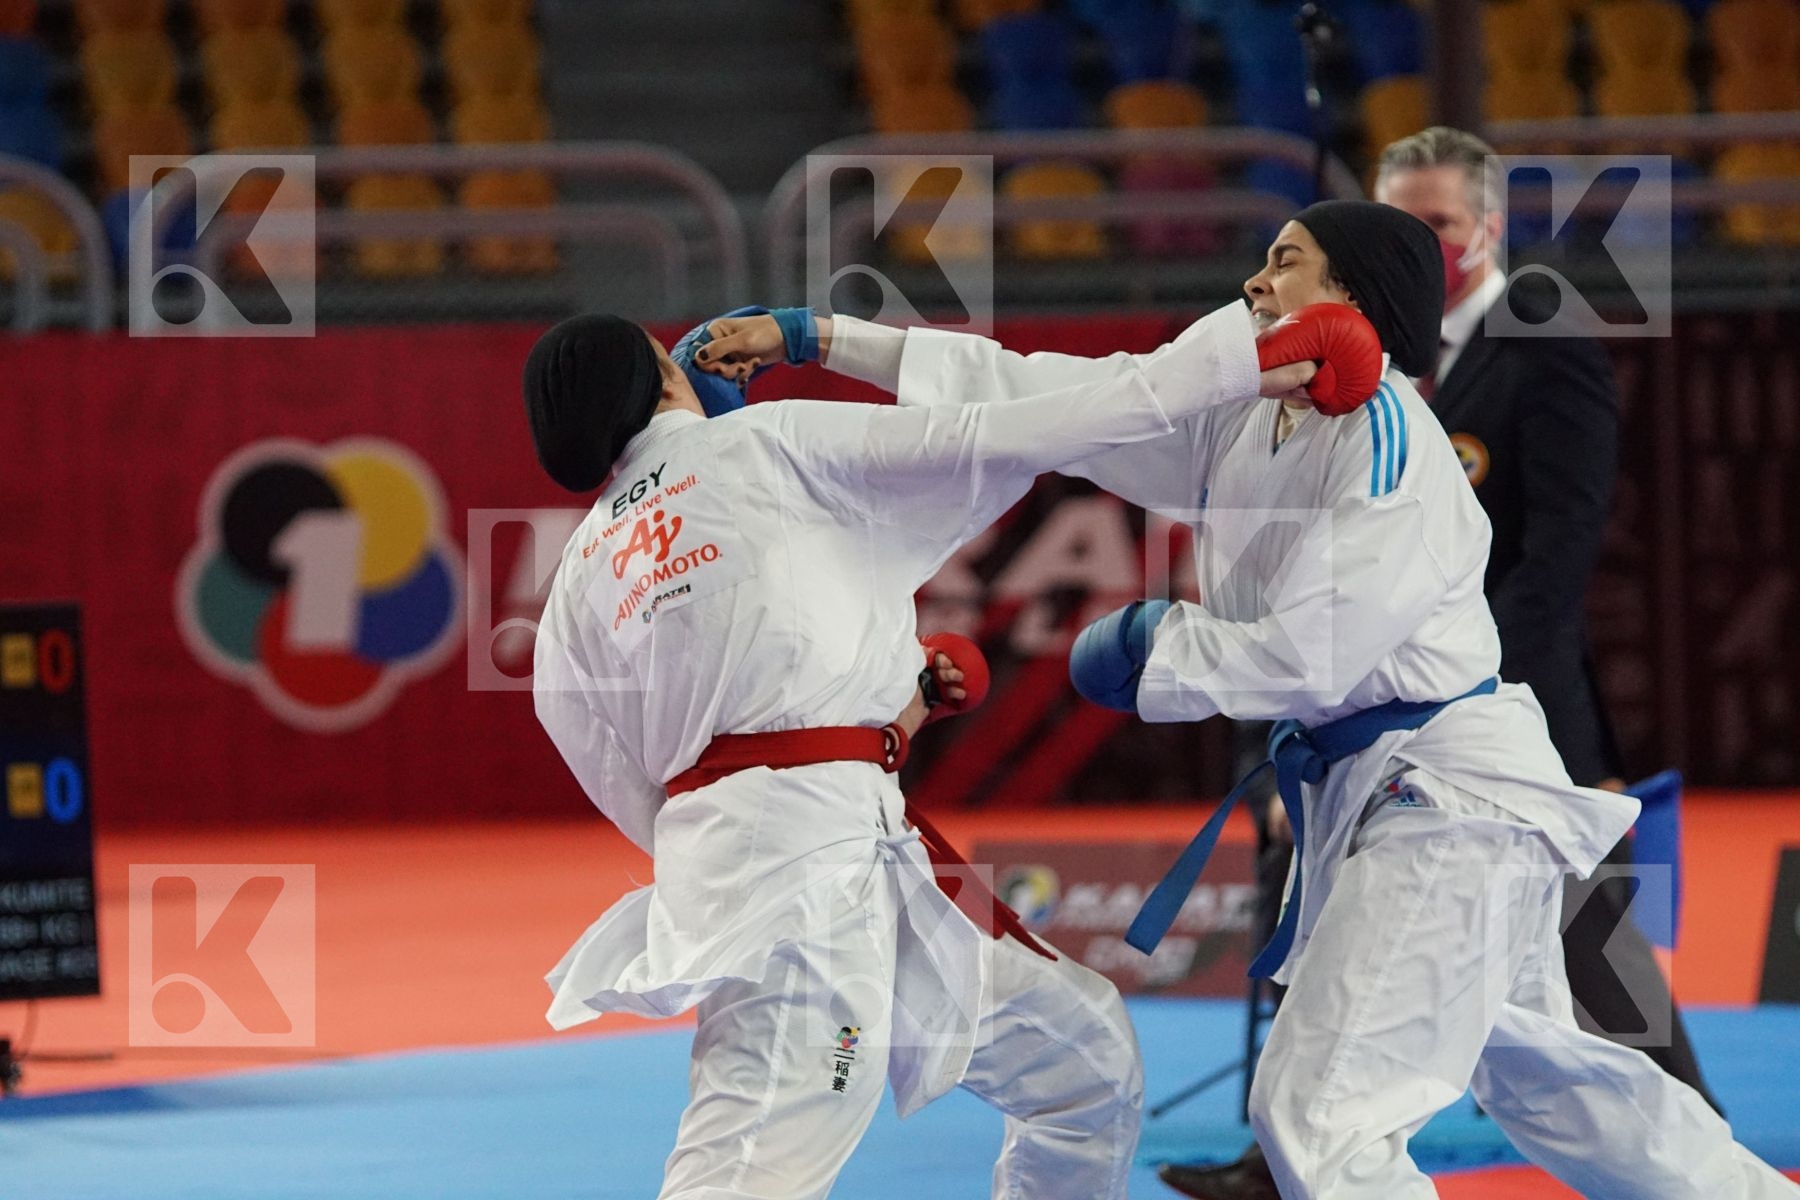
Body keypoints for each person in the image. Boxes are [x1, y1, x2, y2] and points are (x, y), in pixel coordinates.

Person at [763, 199, 1796, 1198]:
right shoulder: (1246, 426)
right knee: (1549, 1088)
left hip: (1449, 799)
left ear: (1350, 301)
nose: (1254, 280)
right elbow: (1041, 397)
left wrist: (1161, 648)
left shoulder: (1390, 446)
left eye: (1287, 260)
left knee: (1316, 1112)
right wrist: (828, 339)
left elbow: (1316, 655)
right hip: (1388, 794)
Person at [526, 304, 1345, 1198]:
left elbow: (637, 777)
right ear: (667, 373)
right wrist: (1237, 367)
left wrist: (887, 721)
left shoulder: (574, 588)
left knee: (1083, 1062)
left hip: (806, 853)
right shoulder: (766, 444)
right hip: (805, 886)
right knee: (751, 1165)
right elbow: (1016, 425)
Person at [1159, 126, 1723, 1200]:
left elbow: (1561, 547)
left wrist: (1451, 689)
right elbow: (1283, 572)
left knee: (1584, 960)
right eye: (1403, 223)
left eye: (1444, 224)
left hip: (1498, 697)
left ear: (1491, 226)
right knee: (1339, 931)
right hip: (1350, 709)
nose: (1425, 241)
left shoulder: (1545, 341)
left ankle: (1692, 1128)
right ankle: (1284, 1154)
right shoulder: (1326, 370)